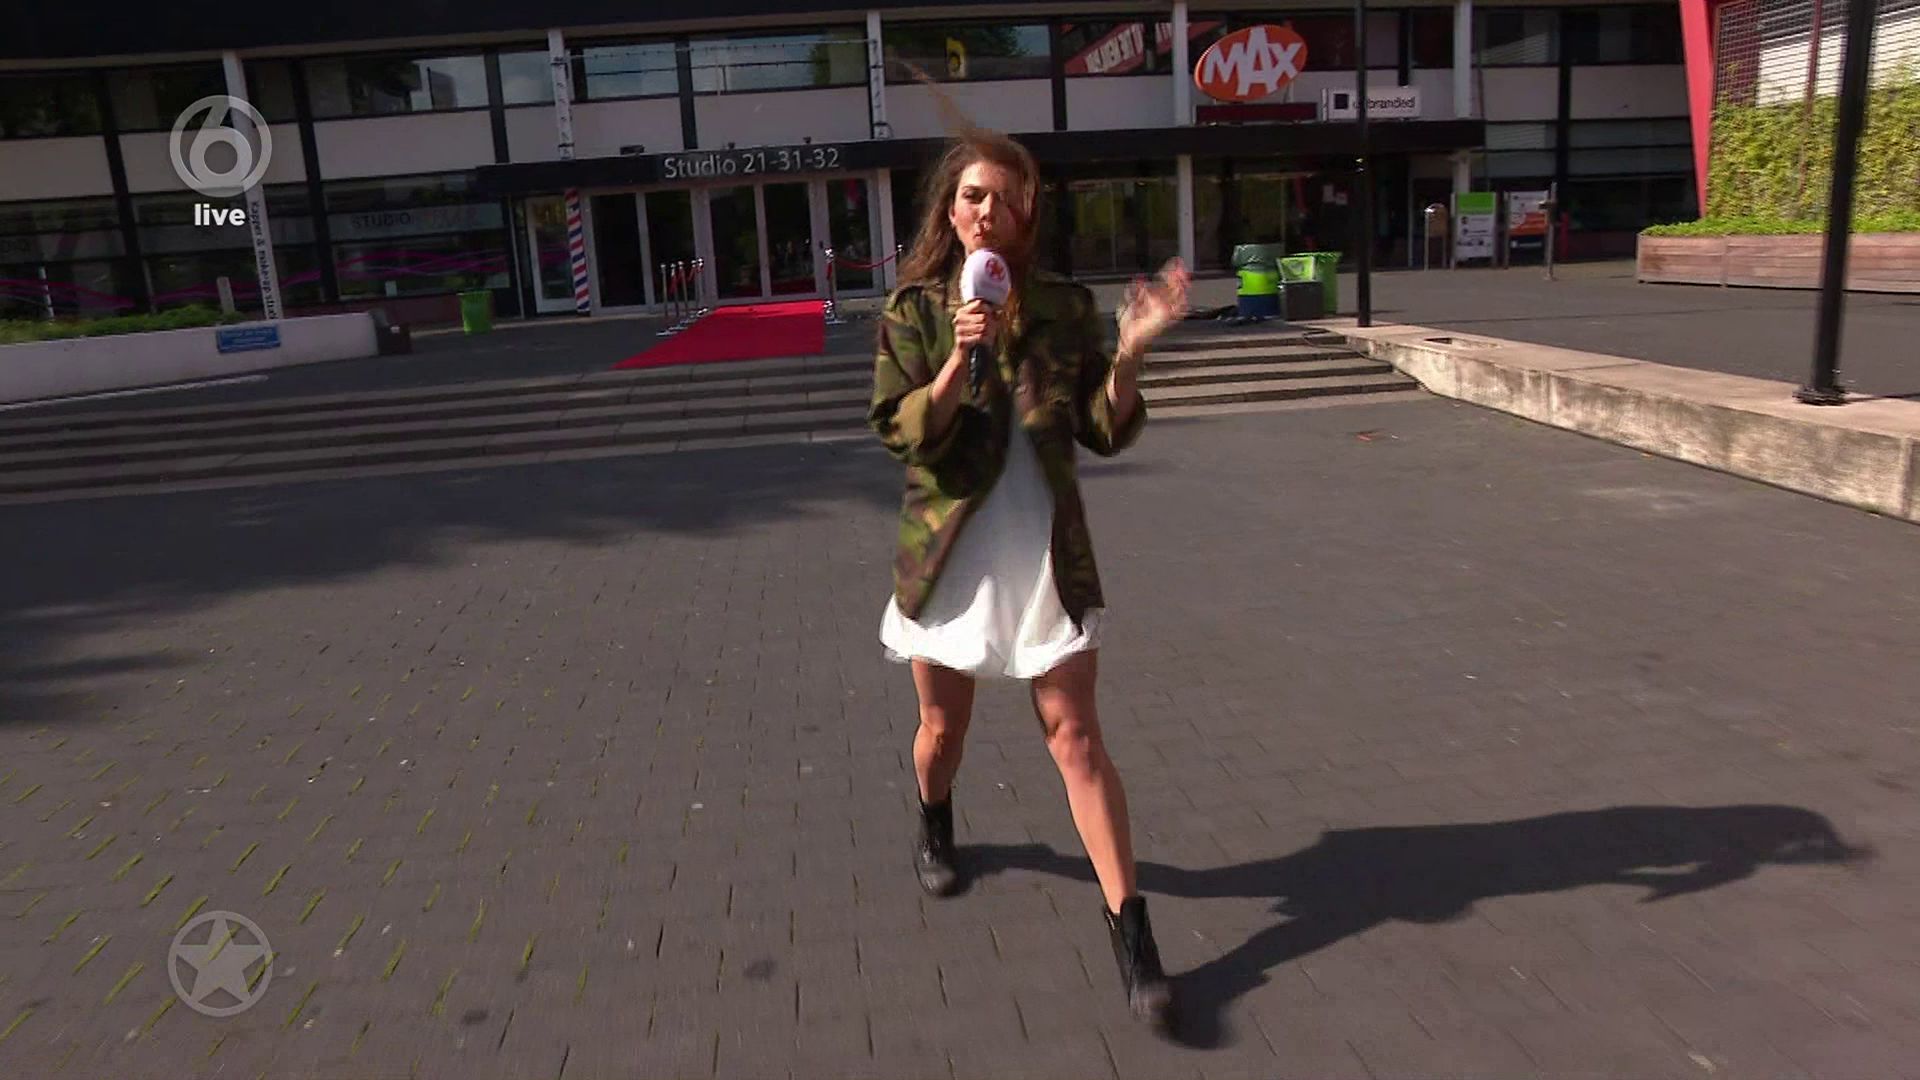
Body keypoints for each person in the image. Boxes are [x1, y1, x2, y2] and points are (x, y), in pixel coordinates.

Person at [867, 127, 1190, 1032]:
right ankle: (935, 815)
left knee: (1076, 738)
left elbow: (1101, 427)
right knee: (943, 728)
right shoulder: (916, 309)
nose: (988, 211)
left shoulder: (1060, 305)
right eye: (973, 195)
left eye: (1006, 198)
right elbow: (899, 428)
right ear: (949, 210)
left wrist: (1130, 354)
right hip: (951, 555)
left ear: (1026, 214)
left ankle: (1134, 940)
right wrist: (956, 358)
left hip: (1045, 553)